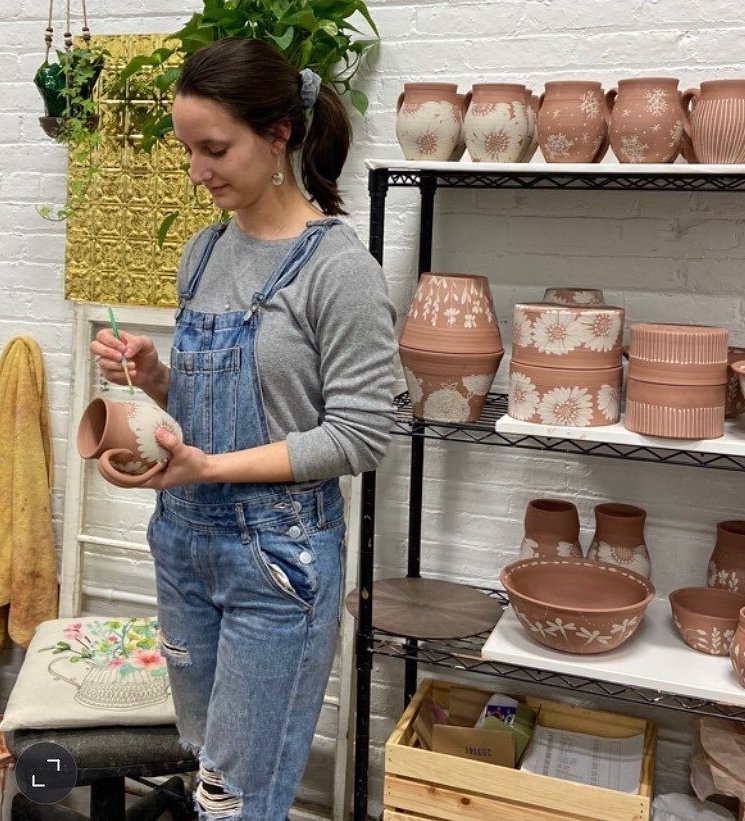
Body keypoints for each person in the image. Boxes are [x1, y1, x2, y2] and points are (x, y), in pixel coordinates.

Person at [91, 36, 396, 821]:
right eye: (188, 150)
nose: (197, 171)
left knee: (236, 799)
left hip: (277, 561)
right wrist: (156, 377)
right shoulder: (203, 252)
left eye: (215, 149)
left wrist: (210, 469)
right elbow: (211, 405)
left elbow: (362, 435)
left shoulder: (339, 270)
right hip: (184, 546)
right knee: (206, 764)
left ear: (278, 134)